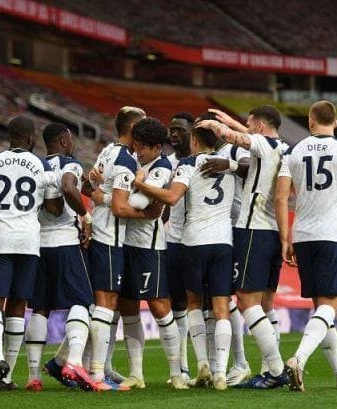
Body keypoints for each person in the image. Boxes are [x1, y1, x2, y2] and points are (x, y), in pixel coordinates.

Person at [133, 116, 235, 391]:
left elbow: (172, 198)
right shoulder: (231, 166)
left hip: (193, 241)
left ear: (194, 140)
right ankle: (221, 374)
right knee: (221, 308)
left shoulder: (189, 164)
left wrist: (141, 184)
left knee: (192, 303)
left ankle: (202, 363)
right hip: (224, 242)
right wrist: (234, 163)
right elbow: (252, 165)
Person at [196, 106, 289, 390]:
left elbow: (232, 137)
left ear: (260, 125)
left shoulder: (260, 143)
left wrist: (214, 124)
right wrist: (233, 122)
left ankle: (275, 369)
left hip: (253, 230)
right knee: (265, 304)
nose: (246, 128)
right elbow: (252, 135)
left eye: (250, 124)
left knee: (247, 302)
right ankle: (269, 367)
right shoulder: (284, 147)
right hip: (272, 231)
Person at [275, 100, 337, 392]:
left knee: (321, 311)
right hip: (331, 235)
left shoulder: (293, 151)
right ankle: (298, 359)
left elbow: (281, 198)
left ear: (311, 121)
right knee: (331, 306)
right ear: (335, 122)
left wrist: (286, 239)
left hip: (302, 235)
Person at [0, 116, 62, 395]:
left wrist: (0, 213)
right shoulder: (42, 165)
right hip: (29, 241)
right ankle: (7, 374)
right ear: (32, 138)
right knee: (18, 305)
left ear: (9, 137)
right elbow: (53, 208)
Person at [104, 118, 187, 389]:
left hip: (149, 249)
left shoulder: (162, 167)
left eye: (142, 148)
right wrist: (116, 193)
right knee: (128, 307)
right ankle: (136, 373)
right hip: (125, 244)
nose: (137, 151)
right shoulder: (136, 164)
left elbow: (140, 203)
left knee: (160, 307)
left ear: (156, 147)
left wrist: (125, 190)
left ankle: (177, 372)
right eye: (135, 146)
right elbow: (137, 207)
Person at [82, 106, 160, 391]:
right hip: (111, 237)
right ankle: (96, 375)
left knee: (104, 303)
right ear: (133, 128)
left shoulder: (107, 151)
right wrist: (147, 214)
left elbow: (89, 186)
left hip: (102, 234)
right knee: (106, 303)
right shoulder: (126, 159)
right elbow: (120, 207)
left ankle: (96, 368)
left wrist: (100, 196)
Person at [22, 123, 98, 392]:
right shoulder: (70, 163)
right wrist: (85, 216)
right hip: (65, 242)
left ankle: (34, 376)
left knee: (40, 308)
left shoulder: (36, 166)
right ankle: (74, 363)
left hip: (38, 244)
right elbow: (68, 187)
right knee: (82, 301)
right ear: (64, 141)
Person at [165, 112, 194, 382]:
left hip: (200, 240)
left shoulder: (204, 162)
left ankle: (227, 364)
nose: (174, 134)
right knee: (179, 305)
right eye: (171, 130)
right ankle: (183, 366)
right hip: (173, 241)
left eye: (179, 130)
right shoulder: (167, 163)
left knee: (213, 307)